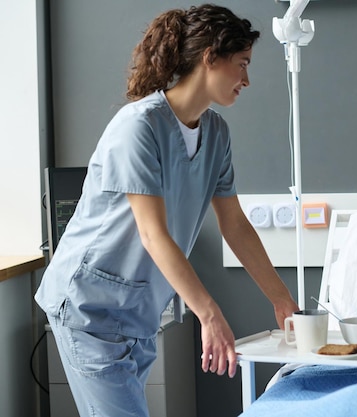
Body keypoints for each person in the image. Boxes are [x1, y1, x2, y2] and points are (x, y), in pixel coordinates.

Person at [35, 4, 299, 416]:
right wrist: (209, 315)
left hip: (137, 313)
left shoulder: (215, 134)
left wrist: (282, 300)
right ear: (210, 57)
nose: (247, 79)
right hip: (90, 307)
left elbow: (235, 224)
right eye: (242, 63)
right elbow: (152, 233)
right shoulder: (137, 126)